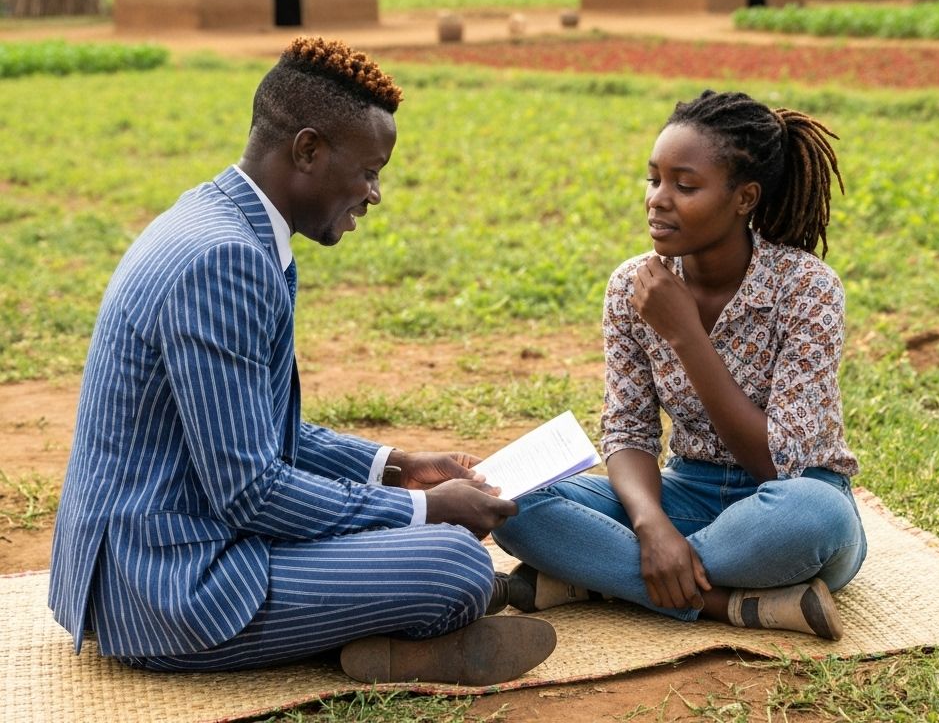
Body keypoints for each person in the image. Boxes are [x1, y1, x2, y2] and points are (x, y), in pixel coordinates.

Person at [48, 37, 555, 684]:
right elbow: (250, 490)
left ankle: (380, 637)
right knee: (453, 563)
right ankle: (389, 642)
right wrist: (426, 510)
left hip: (161, 551)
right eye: (369, 171)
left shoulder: (224, 225)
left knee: (428, 544)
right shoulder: (223, 262)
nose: (374, 194)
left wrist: (396, 467)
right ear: (308, 149)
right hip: (165, 589)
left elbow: (254, 432)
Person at [493, 89, 867, 640]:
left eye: (685, 185)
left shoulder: (807, 288)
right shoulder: (631, 284)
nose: (658, 200)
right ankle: (729, 604)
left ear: (744, 198)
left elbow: (776, 463)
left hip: (787, 501)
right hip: (684, 494)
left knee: (816, 516)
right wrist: (651, 527)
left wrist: (686, 333)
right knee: (511, 500)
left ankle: (594, 579)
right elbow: (628, 430)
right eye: (654, 180)